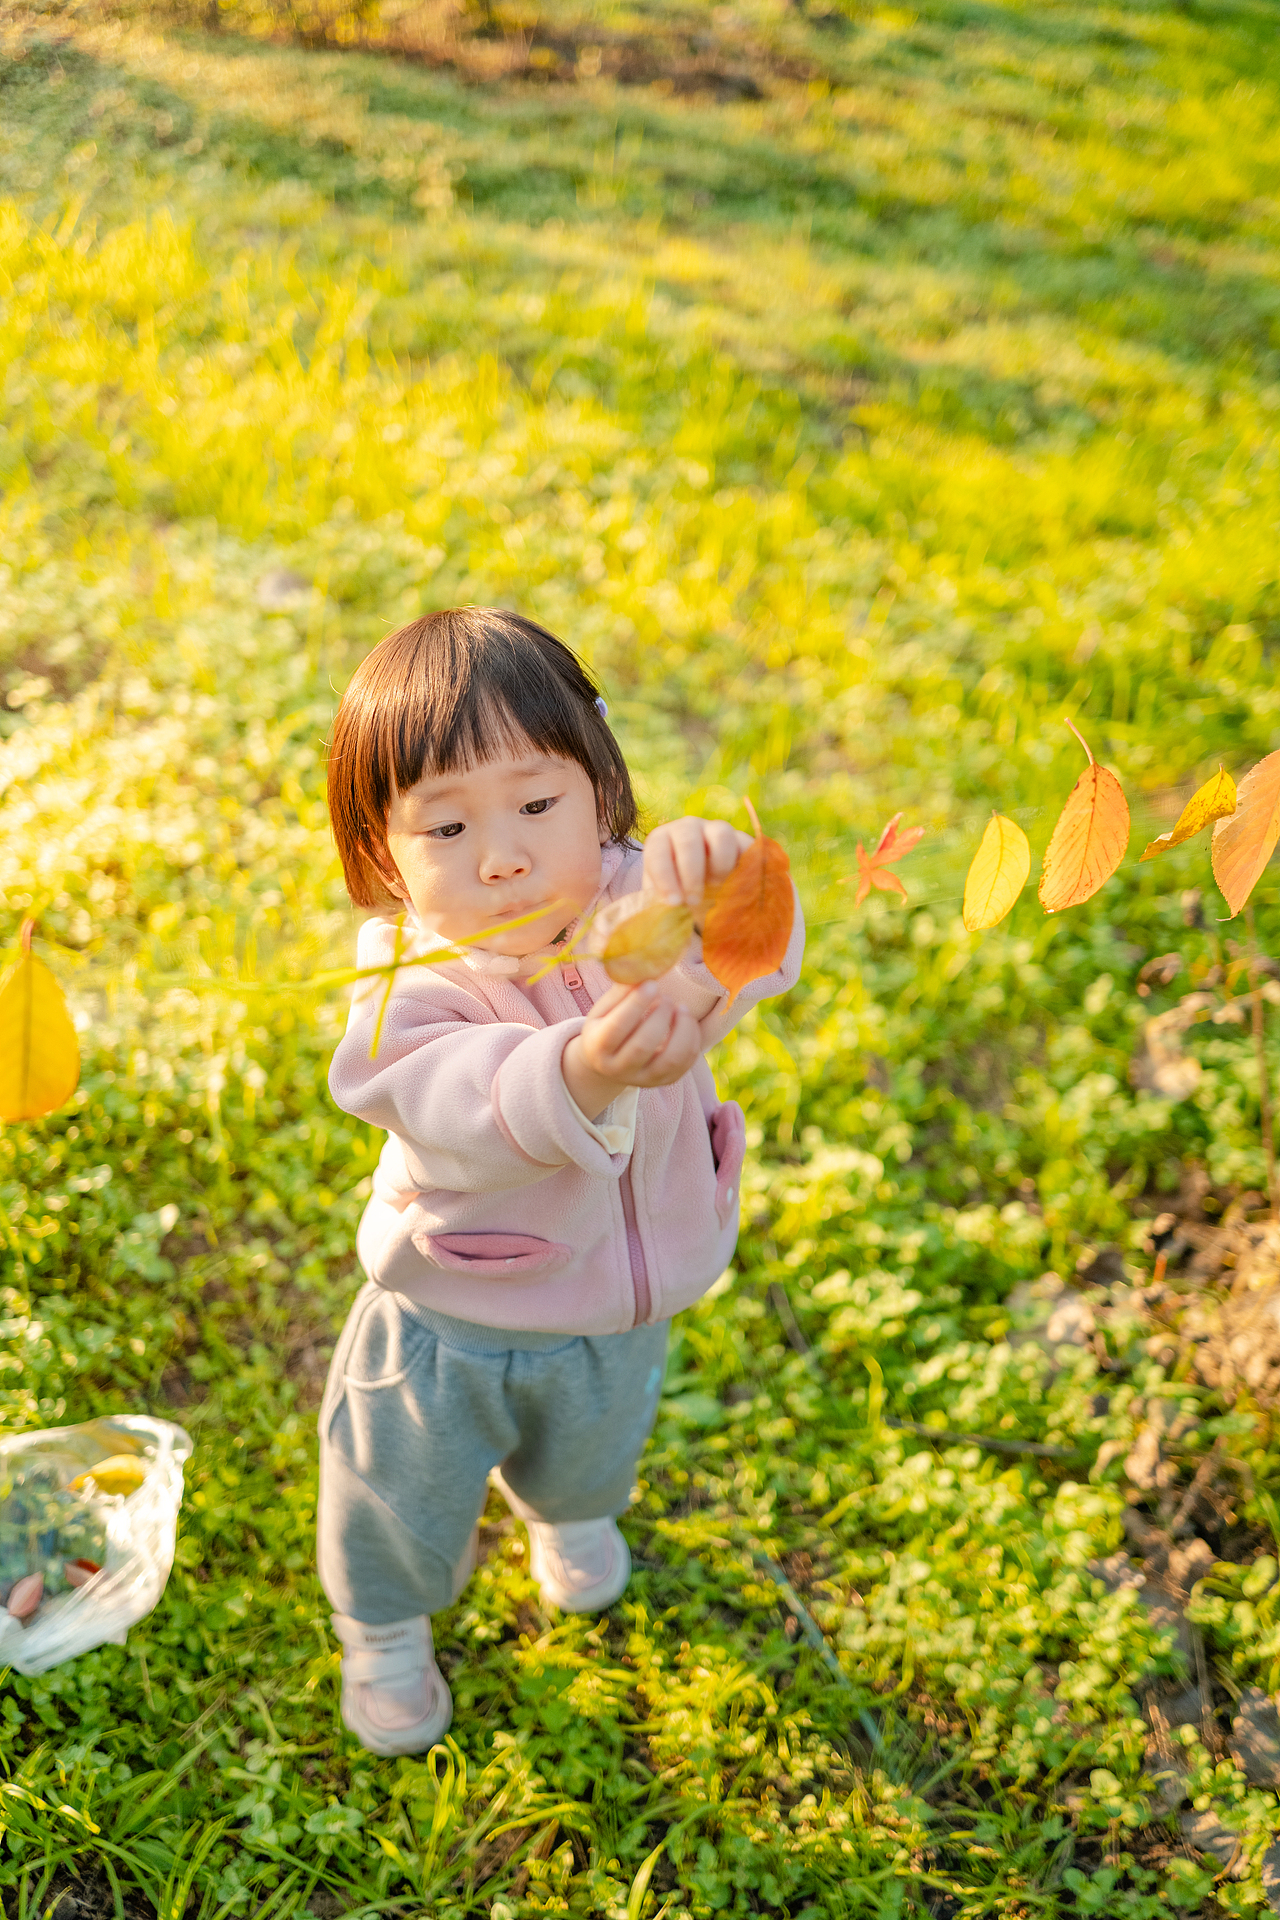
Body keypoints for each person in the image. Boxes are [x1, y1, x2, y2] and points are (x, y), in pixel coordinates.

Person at [320, 606, 804, 1755]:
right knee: (403, 1482)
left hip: (621, 1300)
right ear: (385, 856)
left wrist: (723, 876)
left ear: (600, 794)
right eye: (447, 826)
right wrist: (577, 1071)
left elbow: (758, 956)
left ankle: (569, 1516)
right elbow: (440, 1100)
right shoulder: (406, 982)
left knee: (592, 1443)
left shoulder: (634, 905)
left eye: (538, 806)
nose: (504, 856)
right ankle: (383, 1625)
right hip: (454, 1312)